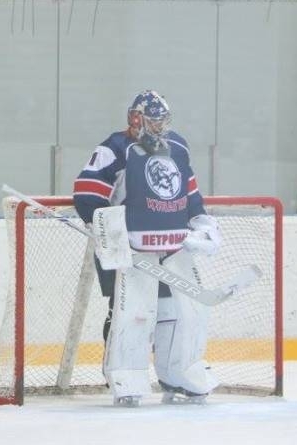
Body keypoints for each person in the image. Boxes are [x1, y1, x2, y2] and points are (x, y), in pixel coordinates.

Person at [73, 90, 222, 406]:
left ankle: (179, 374)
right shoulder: (115, 148)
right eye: (153, 121)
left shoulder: (178, 147)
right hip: (130, 251)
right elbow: (87, 194)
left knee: (177, 314)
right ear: (135, 119)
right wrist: (108, 233)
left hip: (172, 251)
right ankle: (125, 375)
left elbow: (189, 194)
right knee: (132, 313)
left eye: (163, 121)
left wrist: (202, 223)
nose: (159, 127)